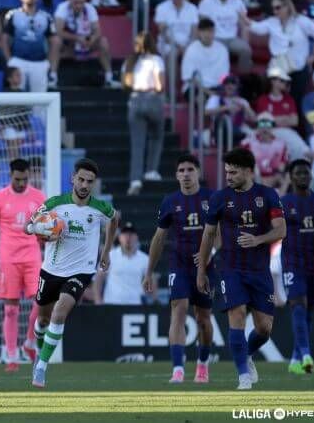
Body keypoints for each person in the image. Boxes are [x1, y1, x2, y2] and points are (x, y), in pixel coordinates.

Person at [197, 147, 286, 390]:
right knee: (236, 316)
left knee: (264, 329)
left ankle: (246, 353)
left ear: (248, 171)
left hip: (259, 270)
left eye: (233, 172)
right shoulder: (219, 198)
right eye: (226, 172)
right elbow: (208, 235)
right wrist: (201, 270)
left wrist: (258, 239)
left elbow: (281, 229)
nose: (228, 177)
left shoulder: (267, 195)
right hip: (230, 267)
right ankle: (243, 377)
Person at [29, 158, 117, 388]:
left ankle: (42, 367)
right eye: (81, 179)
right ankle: (39, 350)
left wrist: (106, 251)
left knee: (60, 312)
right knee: (43, 320)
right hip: (51, 270)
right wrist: (42, 229)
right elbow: (28, 226)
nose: (85, 185)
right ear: (73, 178)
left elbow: (114, 218)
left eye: (90, 181)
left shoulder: (100, 208)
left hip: (81, 271)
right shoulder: (55, 203)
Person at [144, 154, 215, 383]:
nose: (186, 174)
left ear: (198, 173)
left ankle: (202, 364)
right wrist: (149, 272)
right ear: (176, 175)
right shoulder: (170, 201)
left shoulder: (211, 198)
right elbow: (158, 238)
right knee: (179, 309)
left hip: (206, 267)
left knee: (203, 318)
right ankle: (178, 369)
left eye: (190, 169)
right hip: (179, 265)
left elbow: (221, 233)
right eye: (181, 170)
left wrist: (208, 254)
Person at [0, 158, 46, 372]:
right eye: (17, 179)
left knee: (41, 302)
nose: (21, 183)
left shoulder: (39, 198)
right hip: (8, 259)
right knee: (10, 310)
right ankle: (11, 356)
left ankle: (29, 343)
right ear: (10, 176)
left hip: (32, 257)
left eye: (25, 179)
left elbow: (47, 229)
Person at [280, 159, 314, 375]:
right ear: (291, 177)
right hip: (292, 263)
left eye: (306, 173)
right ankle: (306, 354)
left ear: (311, 176)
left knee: (308, 310)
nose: (303, 176)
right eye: (298, 173)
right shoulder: (283, 203)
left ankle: (295, 360)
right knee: (298, 305)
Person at [245, 0, 314, 104]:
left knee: (296, 99)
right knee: (268, 91)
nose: (275, 11)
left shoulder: (301, 21)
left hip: (299, 66)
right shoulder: (272, 22)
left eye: (278, 8)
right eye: (273, 8)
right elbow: (257, 28)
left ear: (287, 6)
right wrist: (243, 18)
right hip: (279, 66)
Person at [122, 31, 166, 196]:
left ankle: (135, 180)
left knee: (137, 144)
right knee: (156, 135)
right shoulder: (156, 60)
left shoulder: (129, 61)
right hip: (152, 99)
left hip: (134, 100)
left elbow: (126, 84)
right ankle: (151, 171)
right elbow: (161, 85)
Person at [54, 0, 118, 87]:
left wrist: (92, 39)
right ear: (70, 0)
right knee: (55, 41)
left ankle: (109, 77)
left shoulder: (90, 8)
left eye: (81, 3)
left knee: (103, 42)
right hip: (68, 43)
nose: (79, 6)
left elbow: (97, 30)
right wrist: (77, 38)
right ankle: (52, 77)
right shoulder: (62, 8)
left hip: (86, 41)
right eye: (76, 3)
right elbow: (58, 31)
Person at [1, 0, 58, 91]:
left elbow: (54, 42)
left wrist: (49, 64)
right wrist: (10, 61)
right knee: (17, 96)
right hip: (18, 61)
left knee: (39, 98)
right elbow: (4, 39)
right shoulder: (12, 15)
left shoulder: (46, 17)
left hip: (39, 62)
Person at [197, 0, 252, 73]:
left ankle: (244, 79)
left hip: (232, 39)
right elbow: (203, 25)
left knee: (246, 49)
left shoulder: (238, 1)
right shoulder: (206, 2)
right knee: (216, 52)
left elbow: (244, 24)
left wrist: (245, 42)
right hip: (214, 38)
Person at [254, 67, 309, 161]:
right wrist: (284, 119)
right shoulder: (262, 100)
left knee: (303, 151)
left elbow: (294, 121)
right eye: (282, 81)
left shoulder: (289, 99)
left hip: (287, 132)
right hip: (267, 133)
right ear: (273, 81)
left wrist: (273, 119)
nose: (285, 83)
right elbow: (262, 122)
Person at [155, 0, 198, 85]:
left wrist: (188, 46)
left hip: (187, 43)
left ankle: (189, 87)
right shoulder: (161, 8)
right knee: (172, 53)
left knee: (194, 52)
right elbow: (162, 32)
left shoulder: (193, 8)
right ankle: (172, 89)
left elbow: (194, 32)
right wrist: (179, 46)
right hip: (168, 43)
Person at [98, 222, 150, 305]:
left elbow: (151, 281)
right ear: (119, 237)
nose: (128, 237)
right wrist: (97, 300)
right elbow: (99, 278)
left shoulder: (145, 259)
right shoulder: (109, 256)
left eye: (131, 234)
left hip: (135, 305)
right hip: (111, 304)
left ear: (136, 237)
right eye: (125, 234)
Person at [241, 113, 288, 191]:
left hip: (272, 181)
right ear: (257, 127)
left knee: (283, 179)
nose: (265, 128)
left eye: (268, 124)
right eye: (261, 124)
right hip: (253, 180)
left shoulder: (281, 144)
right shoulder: (247, 143)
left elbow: (280, 169)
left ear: (273, 127)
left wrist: (269, 181)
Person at [181, 17, 229, 91]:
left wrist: (219, 91)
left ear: (214, 32)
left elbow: (224, 76)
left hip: (216, 87)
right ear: (199, 33)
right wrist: (208, 92)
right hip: (196, 88)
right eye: (203, 31)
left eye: (210, 31)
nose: (207, 34)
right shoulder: (191, 49)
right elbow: (188, 77)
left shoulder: (222, 49)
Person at [205, 75, 255, 144]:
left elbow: (254, 119)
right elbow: (206, 112)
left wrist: (245, 107)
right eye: (227, 84)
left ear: (237, 87)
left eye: (233, 84)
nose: (230, 86)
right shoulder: (215, 98)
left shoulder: (242, 101)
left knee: (253, 136)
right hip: (220, 131)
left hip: (239, 129)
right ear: (223, 86)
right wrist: (226, 107)